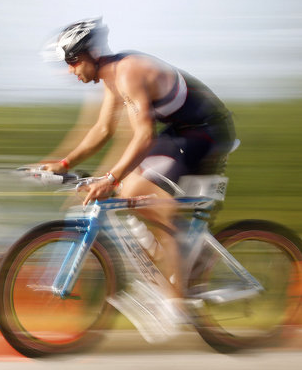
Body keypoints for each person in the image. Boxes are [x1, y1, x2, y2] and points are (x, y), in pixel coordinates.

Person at [41, 18, 236, 338]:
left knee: (145, 198)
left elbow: (144, 136)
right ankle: (178, 258)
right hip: (180, 133)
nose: (70, 70)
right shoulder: (112, 76)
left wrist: (109, 178)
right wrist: (64, 163)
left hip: (206, 133)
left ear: (89, 54)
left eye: (73, 61)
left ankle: (177, 303)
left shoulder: (128, 72)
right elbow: (102, 130)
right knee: (126, 191)